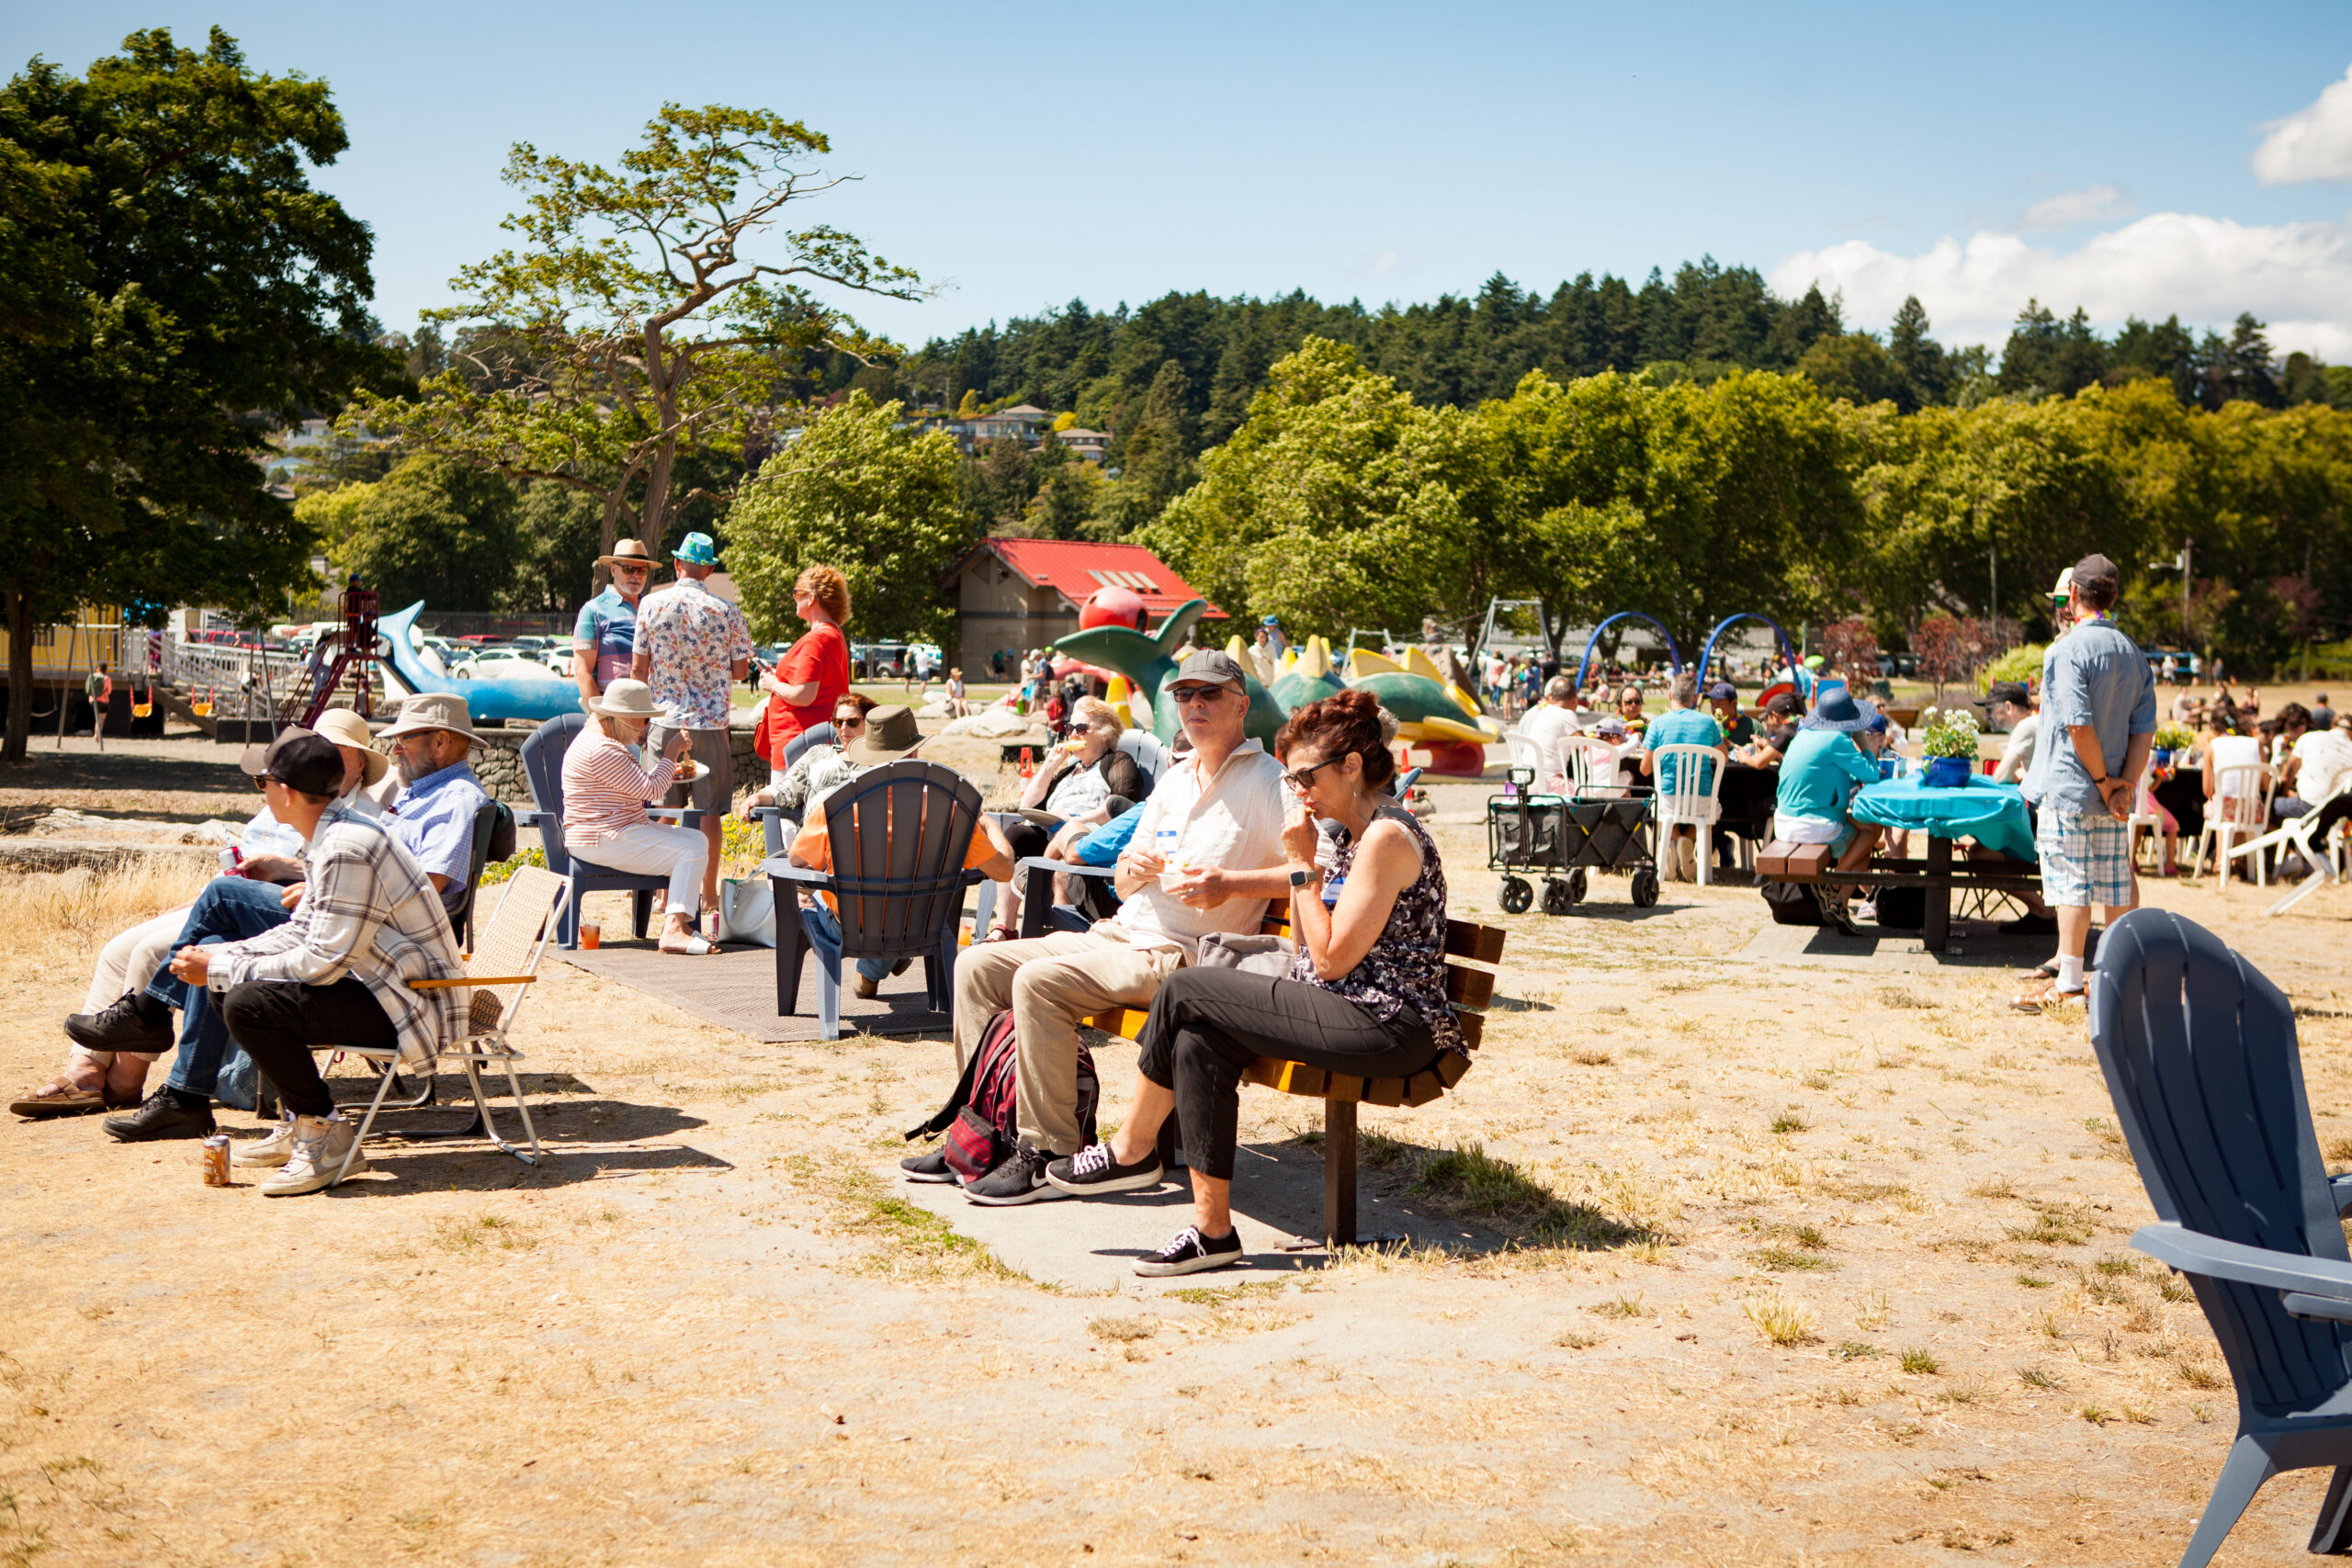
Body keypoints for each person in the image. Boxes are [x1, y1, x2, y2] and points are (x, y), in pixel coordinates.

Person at [1046, 689, 1461, 1277]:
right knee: (1199, 1038)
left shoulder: (1388, 837)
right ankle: (1212, 1232)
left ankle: (1131, 1149)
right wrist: (1303, 868)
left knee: (1187, 989)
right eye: (1292, 780)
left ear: (1352, 766)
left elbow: (1331, 960)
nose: (1299, 792)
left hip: (1390, 1026)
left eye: (1307, 777)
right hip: (1343, 1006)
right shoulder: (1347, 834)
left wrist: (1300, 867)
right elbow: (1311, 953)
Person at [928, 649, 1288, 1206]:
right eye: (1184, 695)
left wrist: (1231, 885)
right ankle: (986, 1133)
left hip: (1180, 955)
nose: (1194, 704)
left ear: (1242, 705)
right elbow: (1120, 880)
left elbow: (1315, 871)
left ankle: (1048, 1151)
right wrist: (1132, 869)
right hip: (1120, 934)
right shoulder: (1175, 779)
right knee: (976, 965)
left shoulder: (1270, 782)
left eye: (1209, 693)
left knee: (1039, 983)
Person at [12, 711, 391, 1122]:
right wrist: (202, 902)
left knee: (155, 950)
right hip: (245, 905)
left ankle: (125, 1077)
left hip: (286, 917)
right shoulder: (299, 811)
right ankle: (96, 1070)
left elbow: (332, 911)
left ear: (359, 762)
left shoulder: (355, 823)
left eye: (336, 749)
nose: (321, 753)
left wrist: (275, 878)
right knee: (119, 949)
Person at [189, 731, 469, 1195]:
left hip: (414, 1005)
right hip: (388, 987)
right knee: (230, 987)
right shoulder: (334, 833)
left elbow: (323, 962)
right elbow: (304, 931)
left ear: (287, 793)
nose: (261, 791)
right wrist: (222, 957)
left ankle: (325, 1135)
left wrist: (219, 968)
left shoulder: (345, 847)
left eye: (262, 782)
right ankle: (300, 1121)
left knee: (246, 1002)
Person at [786, 705, 1017, 998]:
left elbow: (795, 860)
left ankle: (872, 969)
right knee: (897, 910)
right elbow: (1004, 871)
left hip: (851, 927)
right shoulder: (949, 811)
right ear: (915, 752)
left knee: (820, 899)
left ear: (867, 757)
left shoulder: (837, 808)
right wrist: (986, 822)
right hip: (921, 923)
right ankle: (871, 971)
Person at [2012, 554, 2156, 1014]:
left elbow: (2077, 725)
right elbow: (2144, 731)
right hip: (2113, 797)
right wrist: (2123, 785)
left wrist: (2102, 781)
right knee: (2115, 884)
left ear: (2073, 594)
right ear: (2114, 596)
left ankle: (2070, 982)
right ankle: (2114, 978)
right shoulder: (2134, 653)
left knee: (2070, 884)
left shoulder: (2067, 649)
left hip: (2072, 786)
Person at [633, 531, 754, 926]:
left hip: (663, 719)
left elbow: (638, 668)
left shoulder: (651, 604)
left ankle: (660, 894)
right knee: (709, 813)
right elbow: (741, 670)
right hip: (710, 722)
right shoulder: (728, 611)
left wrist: (639, 721)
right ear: (710, 569)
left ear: (676, 564)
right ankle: (708, 894)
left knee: (662, 809)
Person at [561, 678, 713, 956]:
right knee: (690, 850)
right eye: (644, 720)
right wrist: (671, 751)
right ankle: (673, 930)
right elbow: (652, 789)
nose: (646, 726)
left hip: (607, 831)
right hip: (601, 837)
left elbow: (639, 785)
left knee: (697, 840)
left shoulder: (597, 741)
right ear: (623, 717)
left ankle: (679, 922)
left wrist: (667, 766)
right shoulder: (603, 750)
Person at [985, 697, 1150, 939]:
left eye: (1081, 728)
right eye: (1069, 728)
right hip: (1050, 834)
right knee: (1015, 835)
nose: (1072, 734)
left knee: (1064, 857)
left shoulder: (1116, 761)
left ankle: (1053, 932)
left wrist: (1079, 819)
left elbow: (1122, 803)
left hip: (1085, 839)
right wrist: (1049, 766)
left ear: (1103, 733)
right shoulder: (1069, 769)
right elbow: (1027, 806)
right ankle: (1005, 927)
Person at [1770, 685, 1886, 932]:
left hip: (1785, 820)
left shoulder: (1804, 735)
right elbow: (1872, 775)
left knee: (1864, 840)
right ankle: (1834, 886)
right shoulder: (1837, 740)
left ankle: (1838, 905)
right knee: (1872, 832)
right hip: (1811, 824)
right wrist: (1862, 741)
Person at [758, 564, 854, 765]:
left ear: (811, 598)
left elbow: (804, 696)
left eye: (797, 593)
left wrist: (773, 684)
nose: (794, 598)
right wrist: (781, 677)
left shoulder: (815, 640)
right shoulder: (834, 635)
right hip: (817, 742)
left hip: (798, 745)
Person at [1636, 671, 1726, 881]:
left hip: (1668, 798)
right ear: (1694, 698)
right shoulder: (1708, 723)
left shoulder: (1658, 723)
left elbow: (1645, 769)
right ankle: (1687, 839)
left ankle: (1675, 840)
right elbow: (1723, 757)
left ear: (1670, 694)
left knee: (1662, 811)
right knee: (1711, 813)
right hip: (1703, 799)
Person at [739, 694, 876, 823]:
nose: (844, 728)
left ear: (868, 723)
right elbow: (786, 789)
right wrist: (758, 797)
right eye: (838, 722)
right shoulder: (817, 755)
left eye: (852, 721)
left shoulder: (879, 759)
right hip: (817, 833)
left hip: (867, 834)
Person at [572, 538, 662, 704]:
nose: (636, 576)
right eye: (629, 569)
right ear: (613, 570)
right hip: (614, 708)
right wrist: (602, 714)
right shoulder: (593, 610)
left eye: (642, 570)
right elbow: (582, 673)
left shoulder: (653, 609)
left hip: (653, 708)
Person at [1980, 682, 2040, 786]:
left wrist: (2016, 775)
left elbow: (2000, 777)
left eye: (1990, 709)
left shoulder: (2025, 727)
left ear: (2008, 707)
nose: (1987, 716)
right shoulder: (2033, 723)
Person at [1707, 682, 1755, 749]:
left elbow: (1760, 753)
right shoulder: (1712, 727)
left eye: (1719, 704)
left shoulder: (1752, 727)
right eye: (1712, 704)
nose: (1714, 709)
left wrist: (1730, 745)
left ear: (1733, 704)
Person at [85, 660, 112, 748]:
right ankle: (97, 735)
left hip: (92, 699)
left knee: (97, 718)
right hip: (103, 701)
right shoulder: (106, 678)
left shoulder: (91, 676)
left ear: (98, 668)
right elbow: (109, 691)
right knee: (101, 719)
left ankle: (95, 734)